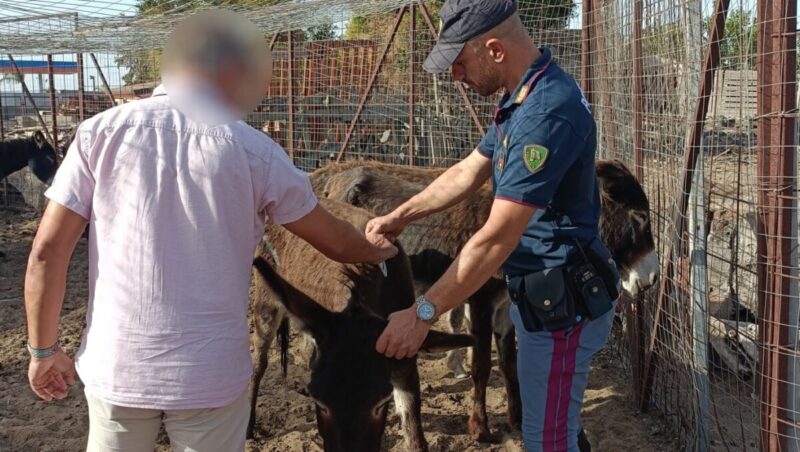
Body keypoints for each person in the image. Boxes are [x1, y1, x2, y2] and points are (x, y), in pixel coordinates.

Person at [24, 9, 397, 452]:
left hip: (119, 366)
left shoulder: (98, 135)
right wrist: (379, 250)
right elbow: (334, 239)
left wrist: (43, 352)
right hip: (210, 375)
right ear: (231, 71)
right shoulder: (256, 152)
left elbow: (48, 252)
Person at [366, 1, 621, 451]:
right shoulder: (521, 95)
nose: (456, 76)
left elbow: (496, 238)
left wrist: (423, 314)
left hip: (563, 306)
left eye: (460, 62)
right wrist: (401, 215)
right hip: (541, 295)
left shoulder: (545, 114)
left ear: (495, 50)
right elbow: (468, 171)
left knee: (547, 440)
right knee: (555, 422)